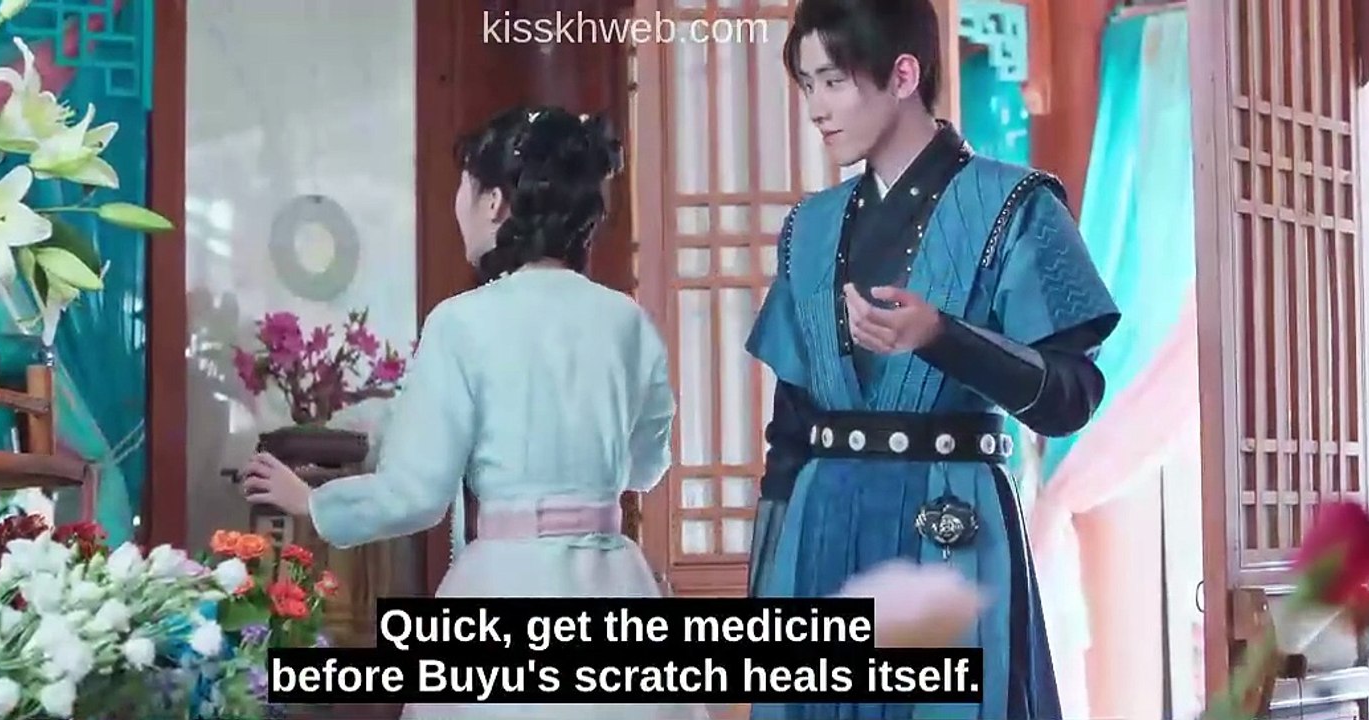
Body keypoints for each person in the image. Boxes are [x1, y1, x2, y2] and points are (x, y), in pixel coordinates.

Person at [237, 105, 708, 720]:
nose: (458, 204)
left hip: (506, 582)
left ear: (493, 203)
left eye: (465, 186)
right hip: (614, 582)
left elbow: (417, 493)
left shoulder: (462, 323)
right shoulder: (629, 322)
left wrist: (313, 502)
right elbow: (645, 468)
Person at [745, 0, 1120, 718]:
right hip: (823, 523)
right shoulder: (809, 228)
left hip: (951, 519)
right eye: (807, 84)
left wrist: (943, 336)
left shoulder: (1017, 204)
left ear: (903, 75)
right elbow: (789, 431)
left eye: (833, 81)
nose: (816, 107)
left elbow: (1071, 396)